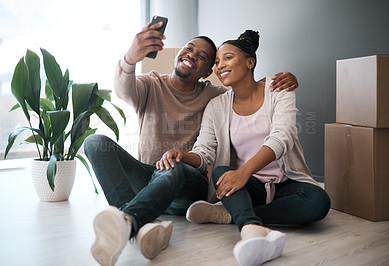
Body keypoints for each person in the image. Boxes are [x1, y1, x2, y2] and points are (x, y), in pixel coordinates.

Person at [84, 21, 299, 266]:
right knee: (94, 142)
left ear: (208, 71)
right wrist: (129, 59)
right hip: (149, 182)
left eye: (203, 57)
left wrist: (282, 81)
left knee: (172, 166)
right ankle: (140, 225)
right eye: (188, 49)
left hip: (187, 184)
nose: (191, 55)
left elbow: (245, 89)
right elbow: (123, 89)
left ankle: (129, 221)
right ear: (178, 53)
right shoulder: (150, 84)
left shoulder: (214, 96)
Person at [156, 30, 331, 265]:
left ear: (250, 62)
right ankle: (250, 228)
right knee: (220, 173)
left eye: (228, 58)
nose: (220, 66)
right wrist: (183, 155)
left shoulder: (278, 90)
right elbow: (205, 152)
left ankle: (229, 213)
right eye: (217, 62)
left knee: (319, 202)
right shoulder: (217, 105)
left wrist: (243, 171)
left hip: (285, 182)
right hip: (248, 186)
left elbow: (283, 136)